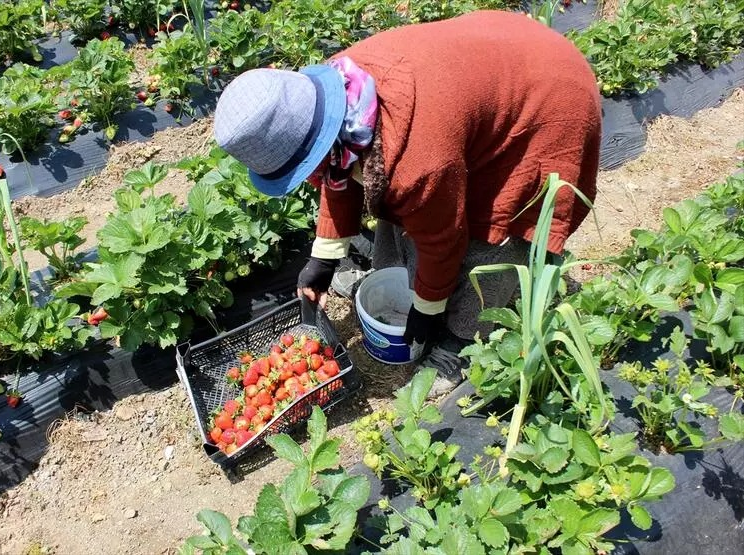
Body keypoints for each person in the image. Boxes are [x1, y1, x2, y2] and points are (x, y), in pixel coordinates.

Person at [212, 10, 602, 397]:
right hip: (489, 58)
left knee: (494, 234)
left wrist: (428, 310)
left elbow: (441, 239)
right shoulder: (338, 95)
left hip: (549, 94)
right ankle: (406, 280)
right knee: (401, 198)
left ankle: (460, 341)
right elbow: (337, 168)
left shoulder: (420, 158)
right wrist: (325, 256)